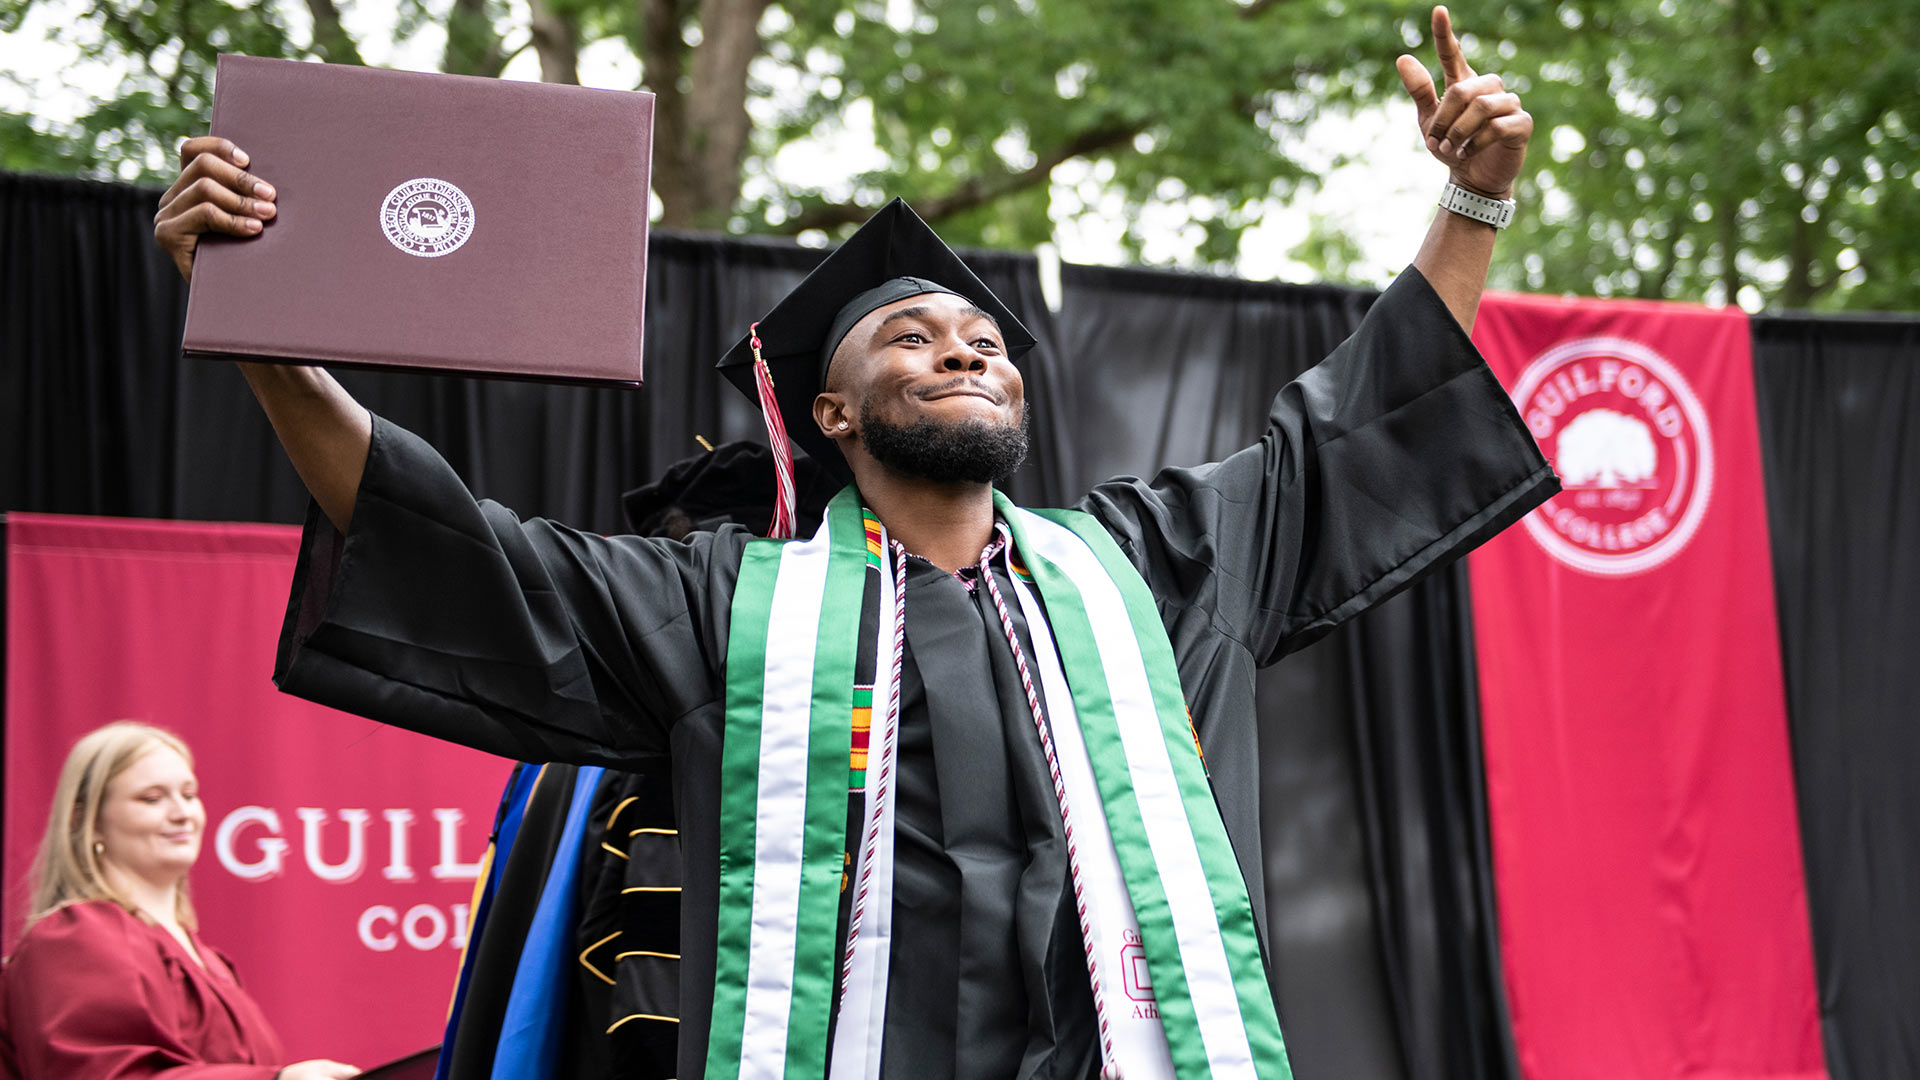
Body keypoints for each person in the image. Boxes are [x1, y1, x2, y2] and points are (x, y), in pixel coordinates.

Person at [151, 8, 1554, 1078]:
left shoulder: (1149, 569)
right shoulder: (725, 608)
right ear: (830, 408)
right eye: (912, 334)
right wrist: (268, 337)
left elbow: (1345, 430)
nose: (962, 343)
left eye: (986, 339)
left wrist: (1473, 200)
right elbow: (464, 547)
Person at [0, 722, 361, 1080]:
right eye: (152, 799)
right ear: (87, 820)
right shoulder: (75, 937)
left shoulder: (209, 961)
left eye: (189, 795)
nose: (182, 813)